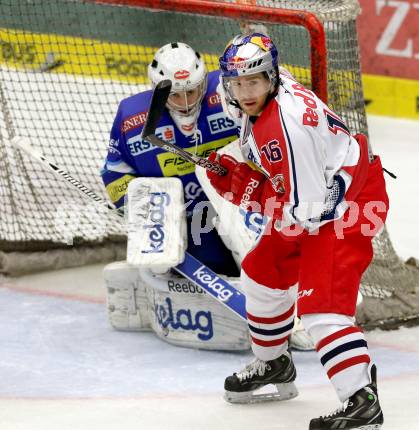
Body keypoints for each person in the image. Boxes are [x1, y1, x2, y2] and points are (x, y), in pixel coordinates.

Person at [206, 33, 389, 429]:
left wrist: (247, 190)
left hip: (346, 205)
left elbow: (304, 214)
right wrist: (246, 174)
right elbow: (289, 182)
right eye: (237, 83)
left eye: (252, 82)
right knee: (262, 273)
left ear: (270, 78)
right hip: (317, 192)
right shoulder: (264, 89)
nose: (244, 92)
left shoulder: (284, 128)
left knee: (320, 305)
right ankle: (275, 364)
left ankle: (362, 400)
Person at [101, 41, 240, 277]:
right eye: (174, 94)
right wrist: (135, 206)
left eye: (191, 92)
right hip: (185, 220)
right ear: (158, 89)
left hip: (239, 207)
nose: (185, 102)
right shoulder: (132, 118)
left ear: (203, 82)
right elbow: (115, 171)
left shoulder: (231, 96)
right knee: (198, 265)